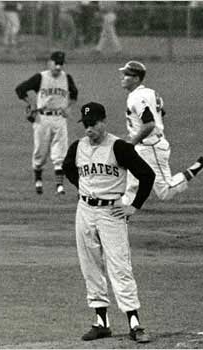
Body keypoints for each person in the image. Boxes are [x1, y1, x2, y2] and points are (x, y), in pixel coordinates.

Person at [62, 101, 155, 343]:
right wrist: (83, 189)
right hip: (84, 211)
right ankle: (101, 321)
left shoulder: (120, 147)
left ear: (104, 122)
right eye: (85, 125)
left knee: (119, 266)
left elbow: (147, 175)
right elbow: (68, 168)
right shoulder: (78, 146)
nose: (89, 129)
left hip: (111, 213)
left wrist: (133, 206)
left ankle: (134, 322)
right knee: (89, 265)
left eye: (93, 124)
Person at [118, 60, 203, 206]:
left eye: (126, 75)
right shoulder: (150, 92)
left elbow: (149, 124)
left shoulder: (136, 97)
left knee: (165, 192)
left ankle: (200, 166)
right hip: (146, 146)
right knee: (131, 187)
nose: (122, 77)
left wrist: (132, 142)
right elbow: (161, 113)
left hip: (151, 148)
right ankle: (115, 220)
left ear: (136, 78)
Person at [15, 51, 78, 195]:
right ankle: (38, 181)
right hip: (42, 118)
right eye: (55, 63)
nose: (58, 67)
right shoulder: (41, 77)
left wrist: (69, 107)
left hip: (59, 118)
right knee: (40, 152)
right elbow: (20, 89)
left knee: (60, 153)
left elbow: (74, 94)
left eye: (61, 64)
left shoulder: (66, 78)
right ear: (49, 63)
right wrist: (31, 103)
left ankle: (59, 186)